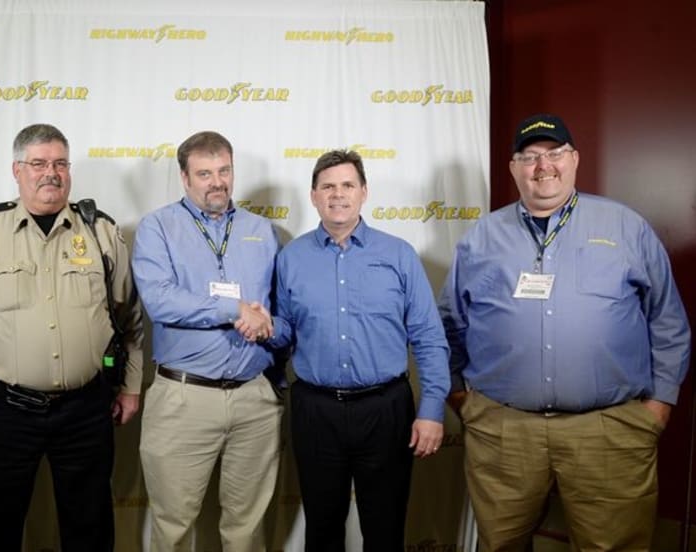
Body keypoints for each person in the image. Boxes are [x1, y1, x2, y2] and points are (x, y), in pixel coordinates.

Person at [439, 114, 691, 551]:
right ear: (514, 168)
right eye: (529, 157)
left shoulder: (625, 227)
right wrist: (463, 398)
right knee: (501, 544)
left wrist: (659, 405)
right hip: (504, 431)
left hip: (607, 430)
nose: (543, 166)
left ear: (574, 159)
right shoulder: (481, 237)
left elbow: (667, 320)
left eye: (554, 153)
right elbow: (449, 323)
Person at [0, 123, 143, 552]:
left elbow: (128, 319)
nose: (50, 173)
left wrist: (130, 387)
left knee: (90, 529)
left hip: (86, 408)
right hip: (5, 411)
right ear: (17, 170)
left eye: (60, 163)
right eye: (38, 163)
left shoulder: (101, 232)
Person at [267, 149, 449, 551]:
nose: (338, 194)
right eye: (328, 186)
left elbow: (428, 337)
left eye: (347, 185)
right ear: (314, 195)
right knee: (322, 530)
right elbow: (285, 332)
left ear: (364, 192)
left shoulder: (399, 254)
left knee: (385, 531)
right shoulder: (291, 258)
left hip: (386, 411)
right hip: (316, 411)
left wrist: (432, 410)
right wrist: (263, 326)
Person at [131, 130, 283, 551]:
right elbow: (161, 301)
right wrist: (234, 310)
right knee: (174, 526)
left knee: (247, 527)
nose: (217, 182)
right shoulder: (158, 227)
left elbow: (279, 307)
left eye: (224, 171)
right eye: (204, 174)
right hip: (184, 398)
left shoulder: (261, 230)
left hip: (253, 400)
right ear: (184, 178)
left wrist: (266, 323)